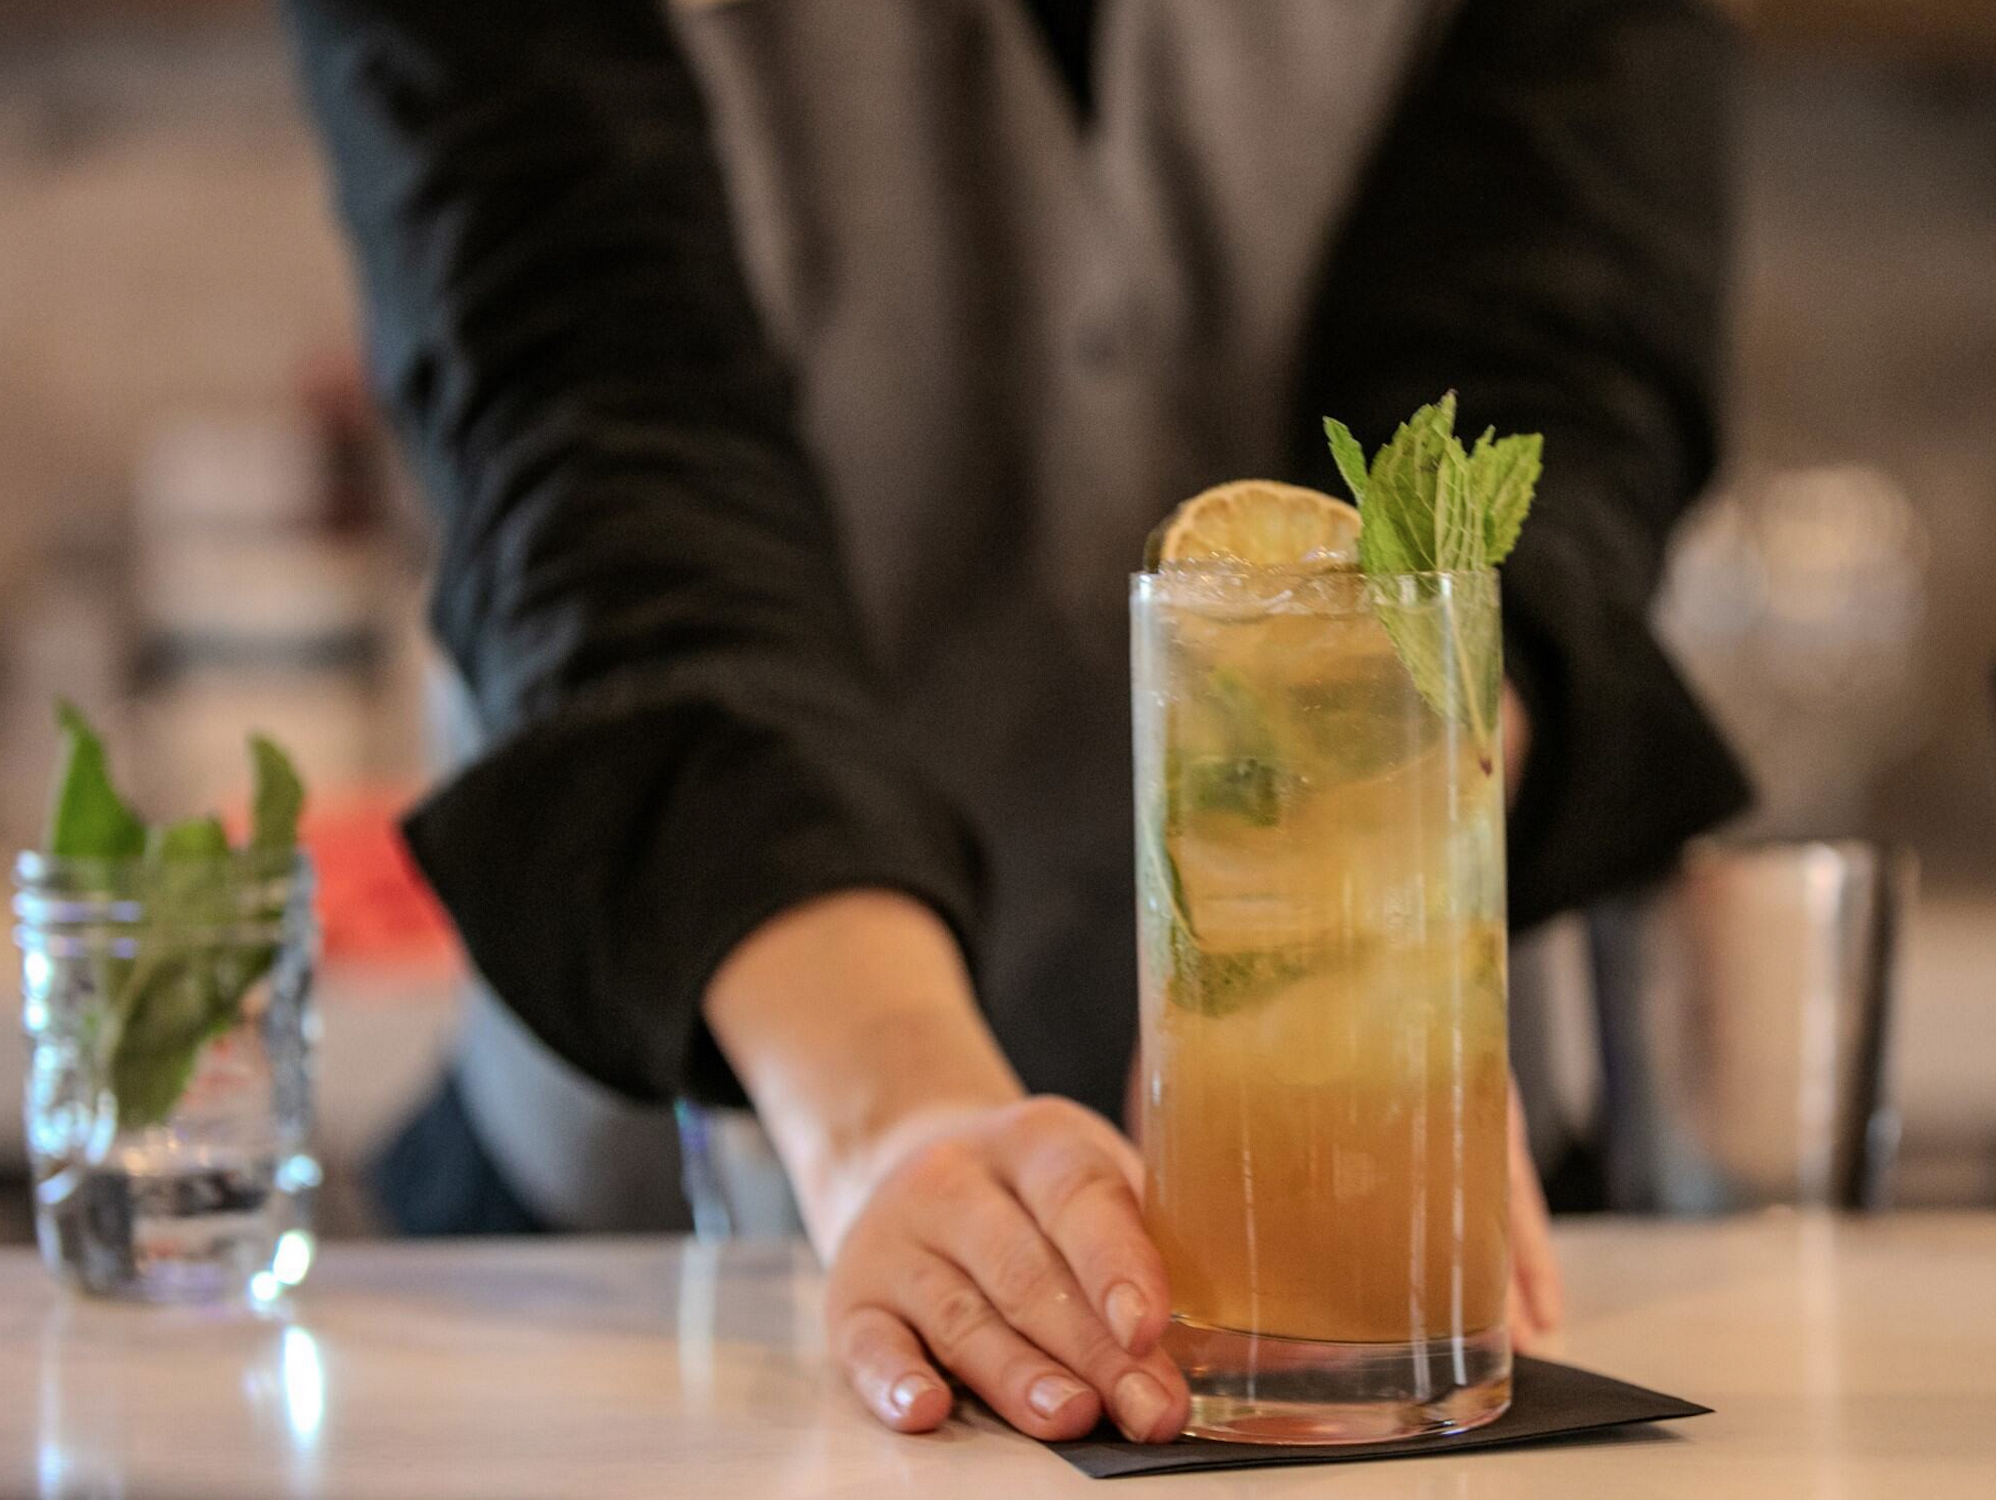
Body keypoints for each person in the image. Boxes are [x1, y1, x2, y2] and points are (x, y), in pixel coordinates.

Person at [282, 0, 1748, 1446]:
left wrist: (1361, 924)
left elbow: (1557, 345)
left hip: (1376, 1258)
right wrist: (887, 1115)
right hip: (667, 1232)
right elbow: (588, 426)